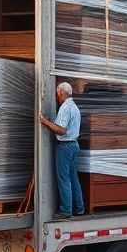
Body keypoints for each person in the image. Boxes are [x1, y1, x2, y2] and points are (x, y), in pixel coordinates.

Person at [39, 82, 85, 218]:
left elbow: (62, 130)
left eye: (57, 93)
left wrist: (45, 122)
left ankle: (66, 210)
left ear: (61, 93)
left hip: (65, 147)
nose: (56, 96)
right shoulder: (75, 107)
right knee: (73, 178)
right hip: (74, 145)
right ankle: (79, 208)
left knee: (64, 179)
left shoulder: (65, 107)